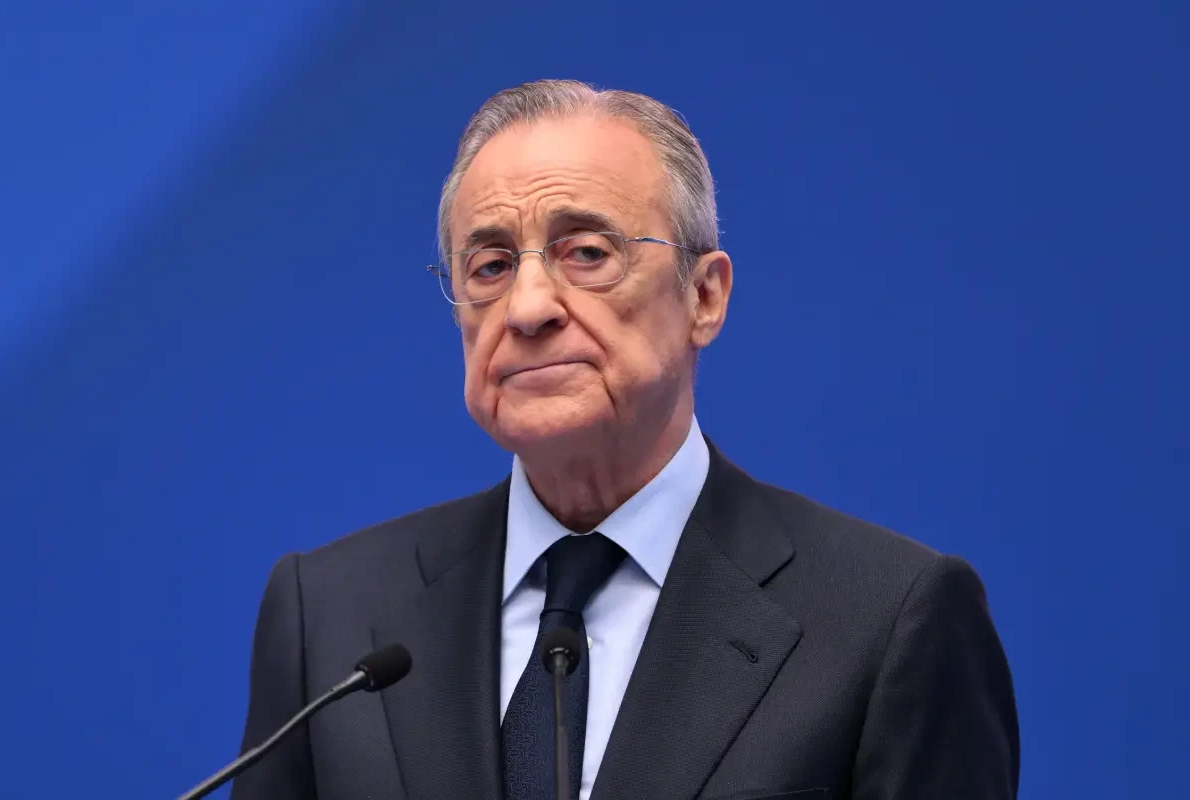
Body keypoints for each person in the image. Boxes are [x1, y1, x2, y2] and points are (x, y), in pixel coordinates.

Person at [233, 79, 1019, 800]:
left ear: (704, 297)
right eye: (490, 266)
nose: (528, 307)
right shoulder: (329, 615)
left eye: (587, 254)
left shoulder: (889, 619)